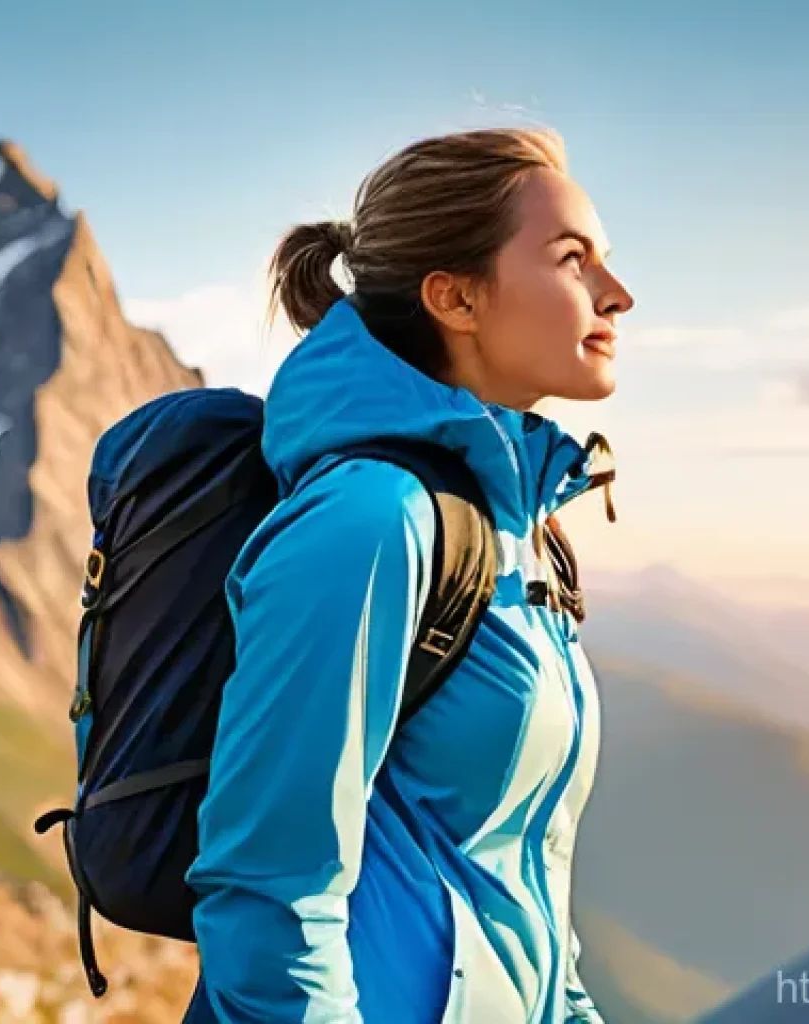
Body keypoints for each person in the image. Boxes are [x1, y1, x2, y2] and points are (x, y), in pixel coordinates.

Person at [182, 126, 634, 1024]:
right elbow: (269, 891)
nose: (616, 296)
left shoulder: (516, 531)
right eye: (572, 259)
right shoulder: (370, 522)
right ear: (456, 297)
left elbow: (521, 876)